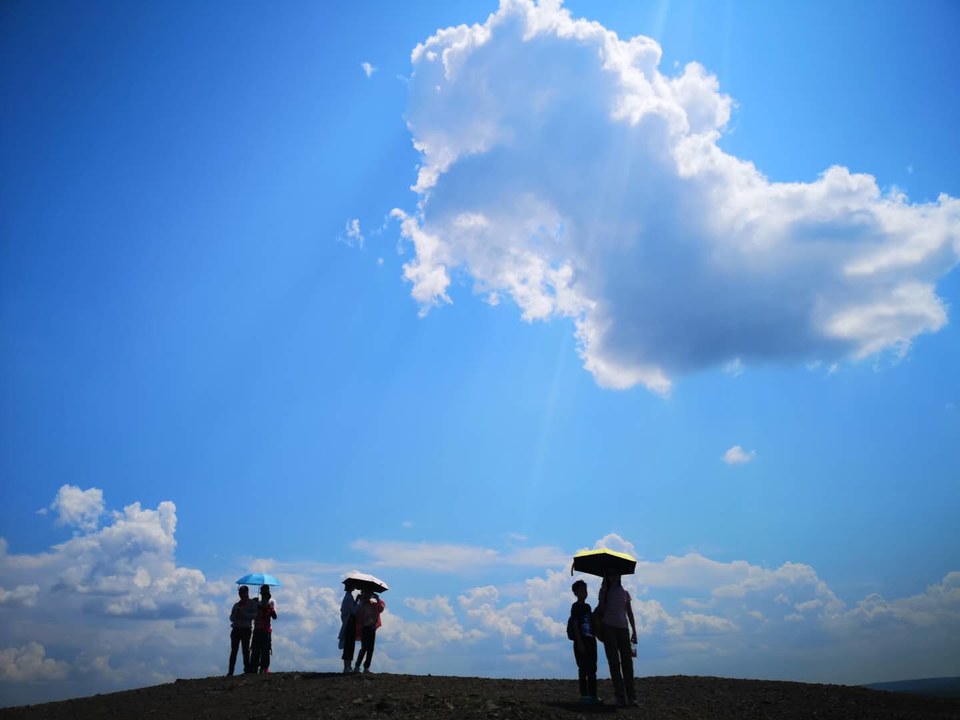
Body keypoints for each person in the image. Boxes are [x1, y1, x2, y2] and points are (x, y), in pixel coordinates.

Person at [599, 574, 638, 707]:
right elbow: (601, 608)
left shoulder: (625, 593)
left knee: (627, 662)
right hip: (608, 627)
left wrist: (634, 631)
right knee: (614, 662)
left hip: (623, 629)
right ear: (607, 576)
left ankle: (631, 696)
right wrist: (603, 592)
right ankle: (620, 696)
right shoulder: (605, 590)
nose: (614, 575)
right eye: (611, 573)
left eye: (616, 573)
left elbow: (630, 613)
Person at [569, 579, 600, 704]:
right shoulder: (575, 607)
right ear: (576, 593)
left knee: (592, 668)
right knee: (582, 668)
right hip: (581, 641)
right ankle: (584, 695)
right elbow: (575, 625)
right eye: (581, 590)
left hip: (591, 640)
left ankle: (593, 695)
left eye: (585, 590)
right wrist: (579, 642)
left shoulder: (588, 607)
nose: (584, 592)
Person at [353, 588, 385, 673]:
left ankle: (366, 667)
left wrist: (377, 598)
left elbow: (381, 608)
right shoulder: (362, 604)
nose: (368, 596)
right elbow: (357, 613)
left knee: (370, 649)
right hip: (365, 628)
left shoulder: (373, 604)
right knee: (364, 648)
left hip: (372, 627)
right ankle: (357, 666)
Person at [227, 585, 257, 675]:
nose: (241, 594)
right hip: (236, 629)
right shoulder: (236, 605)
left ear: (247, 593)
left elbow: (255, 615)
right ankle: (230, 671)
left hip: (245, 629)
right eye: (240, 592)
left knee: (245, 650)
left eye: (243, 592)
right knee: (234, 651)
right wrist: (236, 615)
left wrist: (244, 614)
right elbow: (231, 617)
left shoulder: (252, 604)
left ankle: (247, 670)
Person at [249, 584, 278, 674]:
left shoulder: (271, 602)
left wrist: (267, 607)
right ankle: (254, 667)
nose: (264, 594)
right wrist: (254, 604)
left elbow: (274, 616)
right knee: (255, 649)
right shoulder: (257, 602)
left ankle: (264, 668)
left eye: (266, 592)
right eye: (263, 592)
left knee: (265, 650)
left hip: (266, 629)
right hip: (258, 628)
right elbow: (253, 615)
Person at [338, 581, 360, 673]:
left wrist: (356, 601)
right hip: (349, 623)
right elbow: (353, 611)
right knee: (349, 645)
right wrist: (358, 603)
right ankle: (347, 667)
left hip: (350, 622)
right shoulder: (348, 598)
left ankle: (348, 666)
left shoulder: (348, 597)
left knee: (350, 645)